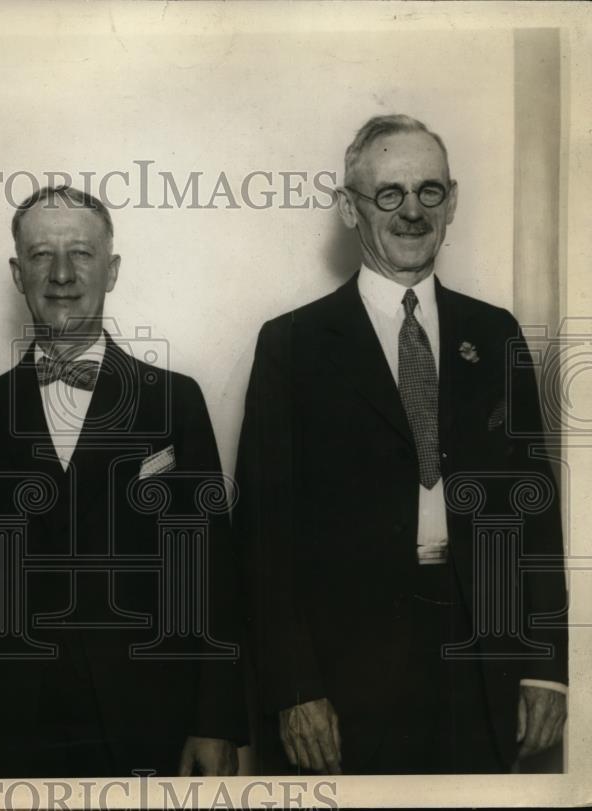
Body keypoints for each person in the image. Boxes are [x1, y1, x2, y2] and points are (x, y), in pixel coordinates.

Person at [234, 115, 568, 774]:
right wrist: (295, 688)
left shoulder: (495, 334)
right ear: (349, 209)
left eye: (430, 192)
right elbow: (263, 537)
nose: (412, 212)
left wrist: (547, 668)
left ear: (453, 202)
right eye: (389, 193)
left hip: (481, 668)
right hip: (341, 678)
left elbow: (536, 511)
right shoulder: (293, 345)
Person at [0, 186, 245, 778]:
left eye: (82, 254)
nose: (62, 274)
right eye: (42, 255)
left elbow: (212, 577)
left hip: (151, 723)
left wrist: (215, 721)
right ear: (17, 273)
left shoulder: (175, 402)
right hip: (10, 733)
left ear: (111, 270)